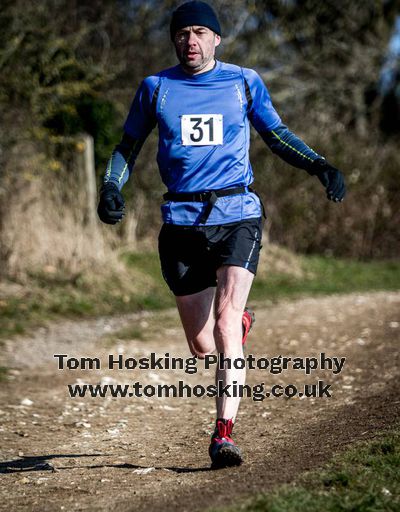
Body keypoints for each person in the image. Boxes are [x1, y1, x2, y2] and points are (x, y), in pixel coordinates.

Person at [98, 1, 346, 469]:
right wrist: (111, 185)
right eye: (181, 34)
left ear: (216, 39)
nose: (190, 41)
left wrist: (320, 165)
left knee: (226, 322)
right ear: (174, 40)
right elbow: (127, 145)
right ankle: (237, 327)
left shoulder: (243, 82)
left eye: (199, 32)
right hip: (181, 222)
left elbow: (277, 135)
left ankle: (223, 435)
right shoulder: (157, 88)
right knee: (202, 344)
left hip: (237, 213)